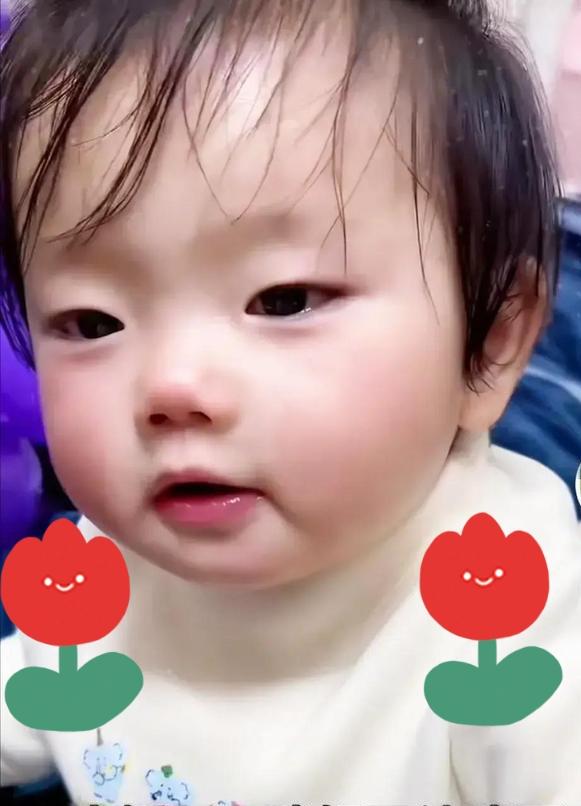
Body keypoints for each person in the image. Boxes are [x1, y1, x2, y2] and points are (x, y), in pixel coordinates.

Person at [1, 1, 580, 804]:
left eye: (284, 301)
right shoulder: (93, 581)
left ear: (487, 347)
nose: (171, 386)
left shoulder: (514, 631)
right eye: (93, 323)